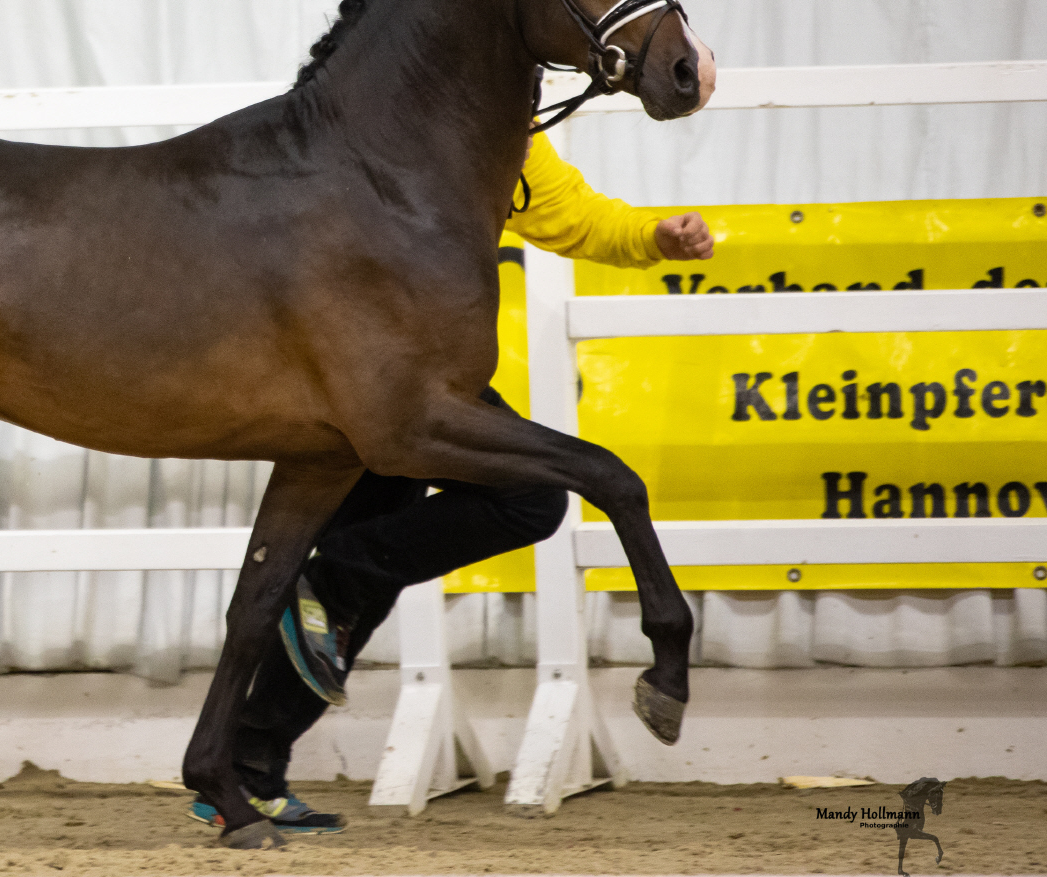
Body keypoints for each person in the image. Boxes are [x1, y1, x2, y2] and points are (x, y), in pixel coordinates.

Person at [189, 128, 717, 833]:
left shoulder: (507, 134)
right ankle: (269, 720)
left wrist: (652, 236)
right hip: (376, 369)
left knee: (378, 556)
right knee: (519, 501)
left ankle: (253, 760)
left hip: (404, 369)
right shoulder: (391, 118)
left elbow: (568, 212)